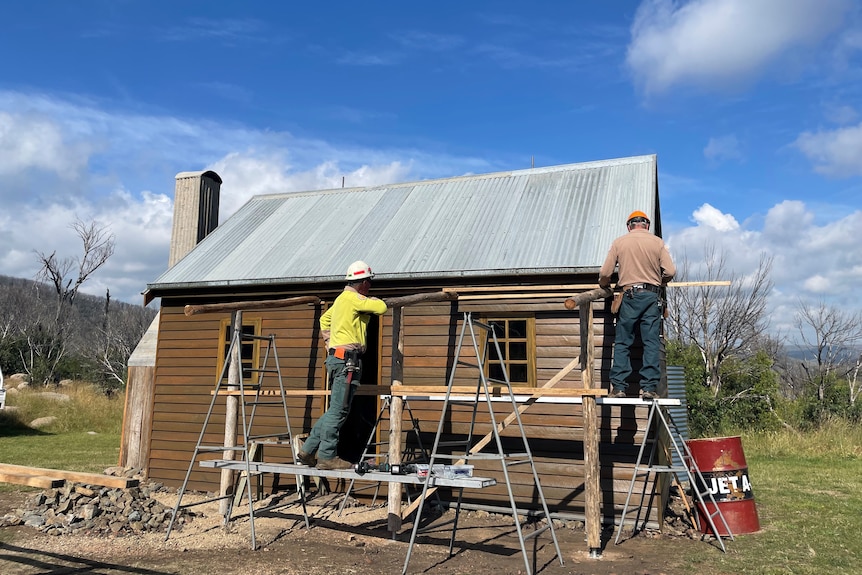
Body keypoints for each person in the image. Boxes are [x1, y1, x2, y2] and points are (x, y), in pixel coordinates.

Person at [297, 260, 388, 470]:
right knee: (338, 412)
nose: (370, 286)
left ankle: (308, 449)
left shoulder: (340, 300)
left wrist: (330, 344)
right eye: (369, 282)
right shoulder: (354, 299)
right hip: (348, 361)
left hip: (338, 358)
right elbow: (381, 307)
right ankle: (327, 456)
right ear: (363, 282)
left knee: (335, 410)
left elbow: (324, 320)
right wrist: (369, 301)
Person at [598, 211, 675, 400]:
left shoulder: (619, 242)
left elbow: (605, 272)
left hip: (630, 296)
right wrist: (660, 281)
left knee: (624, 342)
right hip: (652, 297)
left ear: (629, 226)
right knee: (651, 342)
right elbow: (671, 271)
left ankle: (619, 388)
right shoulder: (657, 242)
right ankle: (649, 389)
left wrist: (604, 285)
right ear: (647, 225)